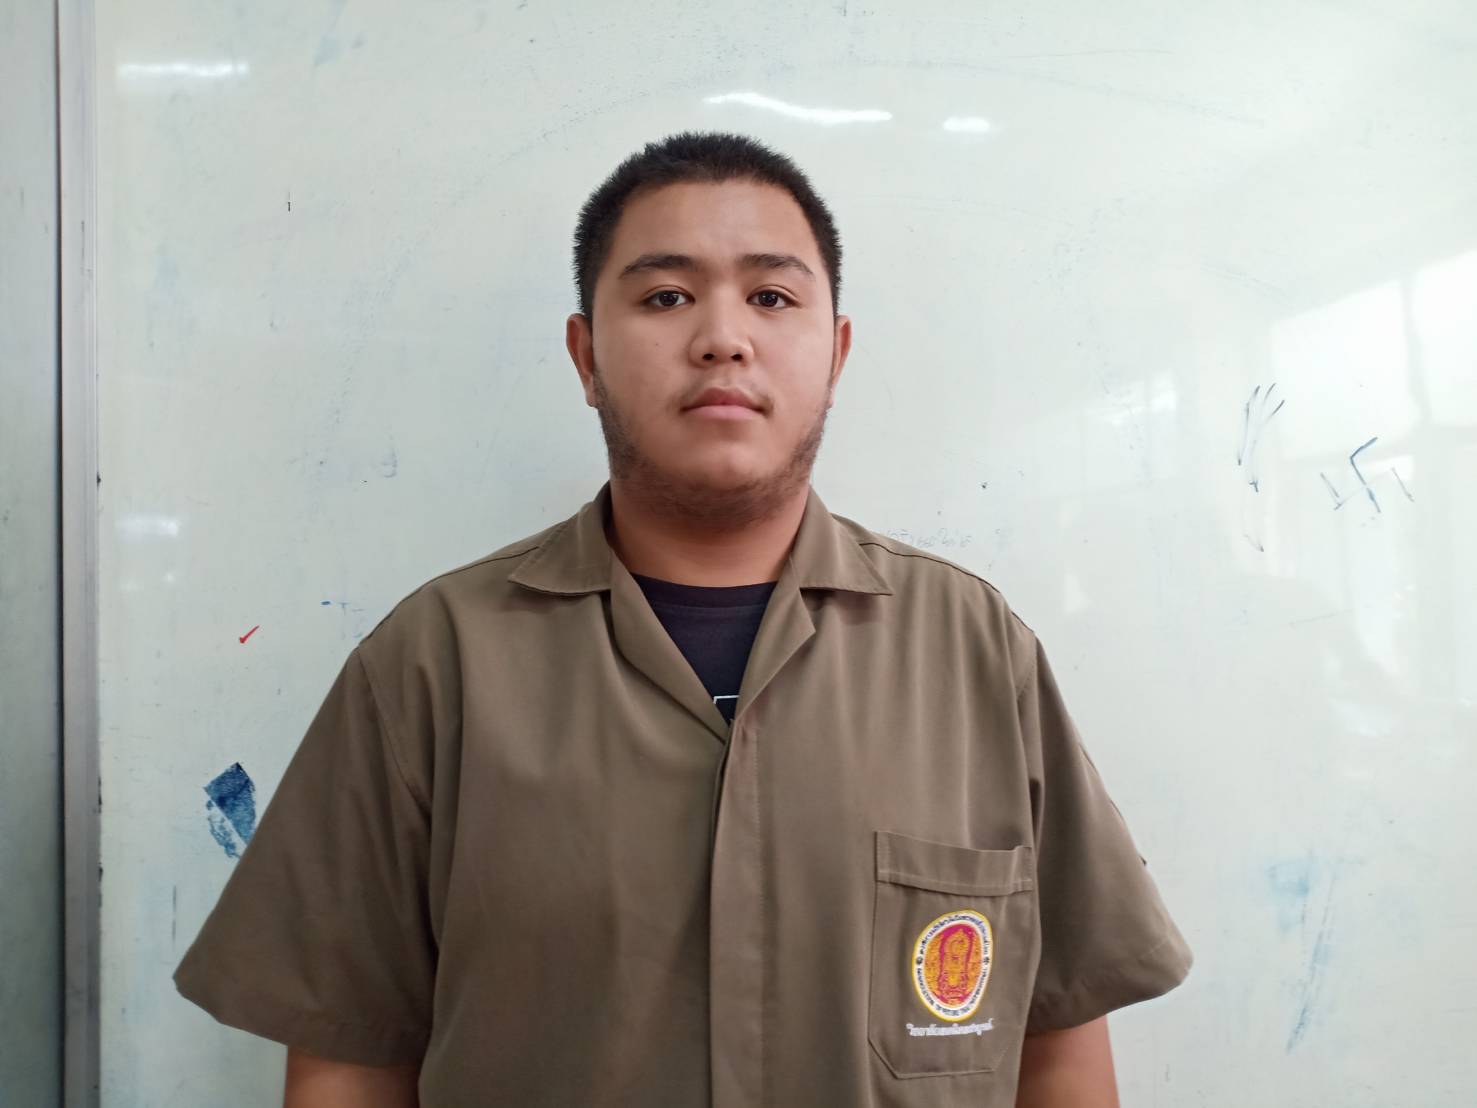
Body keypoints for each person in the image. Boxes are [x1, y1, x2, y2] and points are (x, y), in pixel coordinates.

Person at [173, 130, 1192, 1108]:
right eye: (665, 296)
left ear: (835, 354)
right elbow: (349, 1063)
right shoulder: (434, 665)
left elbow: (1056, 1043)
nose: (722, 338)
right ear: (585, 356)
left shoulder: (973, 651)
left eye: (771, 296)